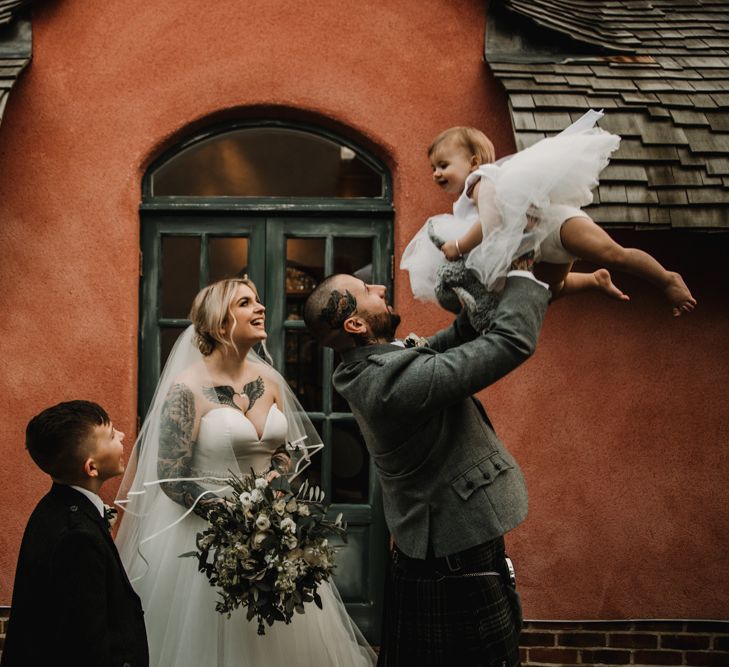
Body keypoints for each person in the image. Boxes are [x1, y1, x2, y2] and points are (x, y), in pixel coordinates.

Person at [114, 277, 375, 667]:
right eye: (246, 303)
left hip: (270, 530)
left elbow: (282, 451)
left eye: (257, 301)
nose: (261, 308)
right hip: (204, 538)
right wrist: (232, 519)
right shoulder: (186, 389)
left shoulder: (270, 380)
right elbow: (170, 475)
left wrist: (278, 484)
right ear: (221, 324)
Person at [303, 265, 550, 666]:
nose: (381, 287)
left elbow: (451, 340)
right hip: (454, 567)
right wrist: (524, 275)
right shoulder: (390, 385)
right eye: (367, 289)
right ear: (355, 323)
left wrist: (478, 292)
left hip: (447, 553)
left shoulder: (372, 365)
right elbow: (512, 343)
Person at [402, 109, 696, 316]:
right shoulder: (467, 198)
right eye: (433, 168)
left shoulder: (482, 182)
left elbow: (492, 222)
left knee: (613, 253)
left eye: (443, 165)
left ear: (474, 162)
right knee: (552, 289)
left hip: (557, 225)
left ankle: (667, 278)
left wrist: (459, 245)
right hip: (543, 247)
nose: (436, 173)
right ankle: (596, 280)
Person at [1, 400, 148, 667]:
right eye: (112, 434)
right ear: (91, 468)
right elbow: (87, 644)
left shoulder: (54, 507)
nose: (123, 436)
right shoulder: (77, 538)